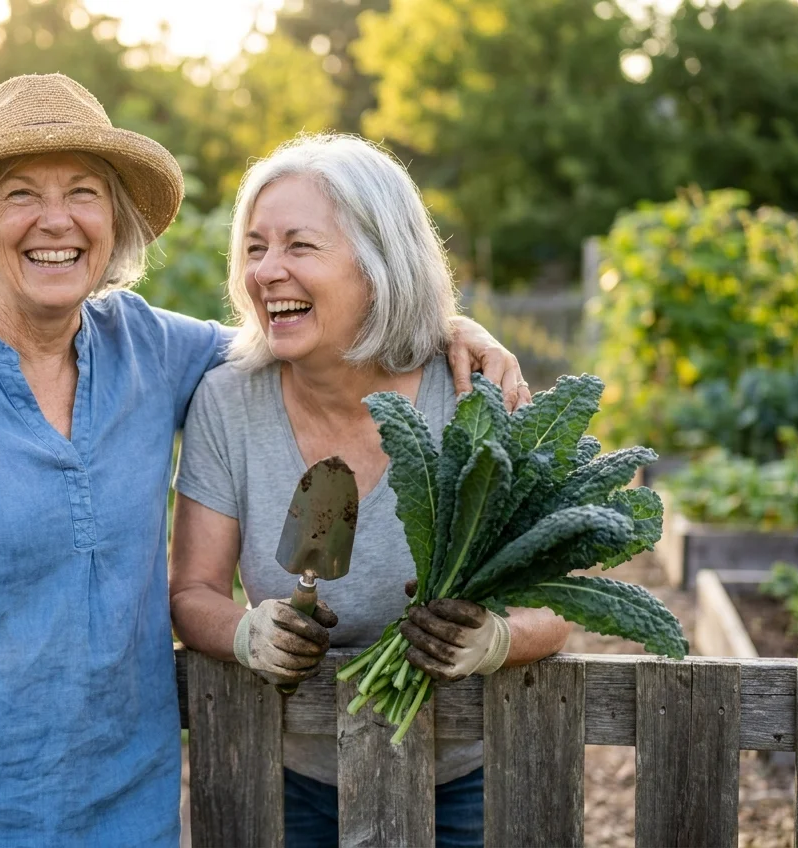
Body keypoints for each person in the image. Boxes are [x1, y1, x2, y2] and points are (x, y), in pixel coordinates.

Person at [0, 75, 527, 847]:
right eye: (21, 194)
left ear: (114, 222)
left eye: (85, 193)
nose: (56, 221)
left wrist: (447, 328)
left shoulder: (150, 348)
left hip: (121, 812)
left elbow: (305, 332)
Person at [168, 133, 571, 848]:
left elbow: (558, 603)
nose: (267, 271)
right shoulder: (228, 402)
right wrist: (243, 631)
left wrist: (497, 639)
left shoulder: (470, 398)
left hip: (465, 780)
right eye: (255, 248)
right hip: (291, 775)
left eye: (300, 246)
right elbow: (192, 591)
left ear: (380, 266)